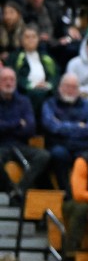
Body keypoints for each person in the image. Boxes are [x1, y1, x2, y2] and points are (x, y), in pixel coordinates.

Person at [0, 66, 51, 200]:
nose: (8, 82)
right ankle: (10, 188)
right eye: (5, 79)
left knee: (43, 155)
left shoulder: (24, 101)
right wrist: (17, 123)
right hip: (1, 145)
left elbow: (30, 129)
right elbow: (21, 126)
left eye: (12, 79)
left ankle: (20, 189)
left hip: (20, 144)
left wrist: (6, 125)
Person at [42, 74, 88, 190]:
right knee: (58, 154)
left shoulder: (87, 105)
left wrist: (63, 125)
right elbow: (52, 127)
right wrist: (78, 126)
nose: (70, 90)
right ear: (60, 87)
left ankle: (84, 193)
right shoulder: (50, 104)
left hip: (81, 147)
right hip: (58, 145)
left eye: (74, 87)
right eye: (67, 86)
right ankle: (65, 193)